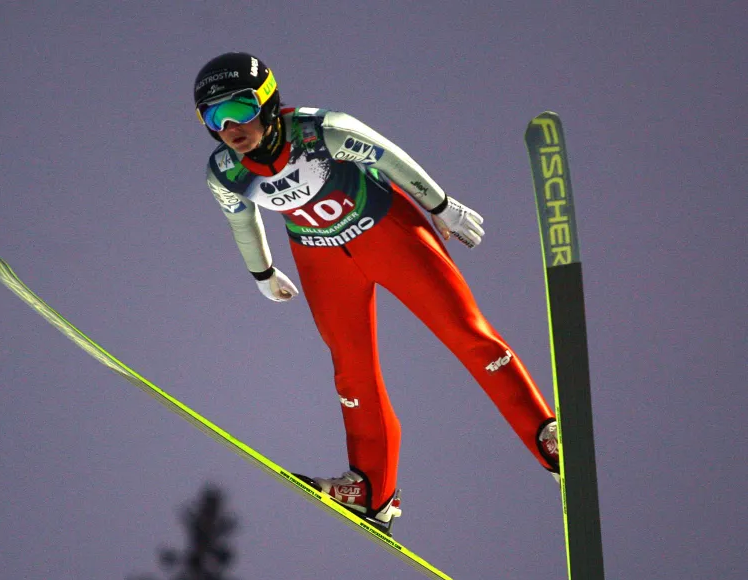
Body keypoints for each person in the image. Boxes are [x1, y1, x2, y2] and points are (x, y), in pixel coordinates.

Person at [195, 52, 560, 524]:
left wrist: (441, 205)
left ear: (266, 101)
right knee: (351, 372)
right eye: (213, 116)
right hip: (321, 258)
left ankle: (547, 436)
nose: (229, 125)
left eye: (239, 108)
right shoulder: (225, 170)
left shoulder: (321, 131)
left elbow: (390, 158)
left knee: (464, 332)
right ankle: (373, 491)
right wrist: (263, 273)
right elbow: (240, 220)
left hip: (387, 232)